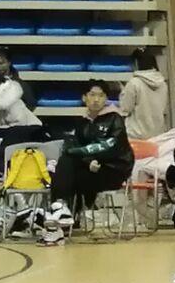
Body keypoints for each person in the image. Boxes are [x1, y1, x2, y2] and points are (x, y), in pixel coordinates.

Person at [46, 80, 134, 233]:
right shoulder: (82, 122)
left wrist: (95, 160)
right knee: (67, 168)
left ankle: (60, 209)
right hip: (91, 169)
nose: (96, 99)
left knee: (68, 167)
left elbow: (111, 146)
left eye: (101, 95)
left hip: (113, 170)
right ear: (84, 98)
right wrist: (89, 161)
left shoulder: (115, 119)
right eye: (92, 95)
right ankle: (63, 212)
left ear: (106, 99)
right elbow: (75, 147)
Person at [120, 47, 172, 141]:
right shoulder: (163, 83)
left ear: (136, 63)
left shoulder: (134, 83)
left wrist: (123, 92)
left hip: (136, 136)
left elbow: (126, 107)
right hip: (158, 135)